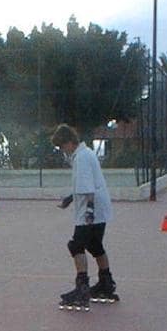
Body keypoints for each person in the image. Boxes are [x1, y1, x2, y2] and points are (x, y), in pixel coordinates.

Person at [51, 123, 118, 311]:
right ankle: (106, 283)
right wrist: (69, 199)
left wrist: (88, 214)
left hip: (91, 210)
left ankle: (82, 289)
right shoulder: (86, 154)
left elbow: (87, 189)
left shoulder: (81, 158)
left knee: (76, 245)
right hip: (99, 208)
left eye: (62, 146)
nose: (62, 150)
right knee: (95, 245)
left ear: (70, 142)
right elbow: (86, 184)